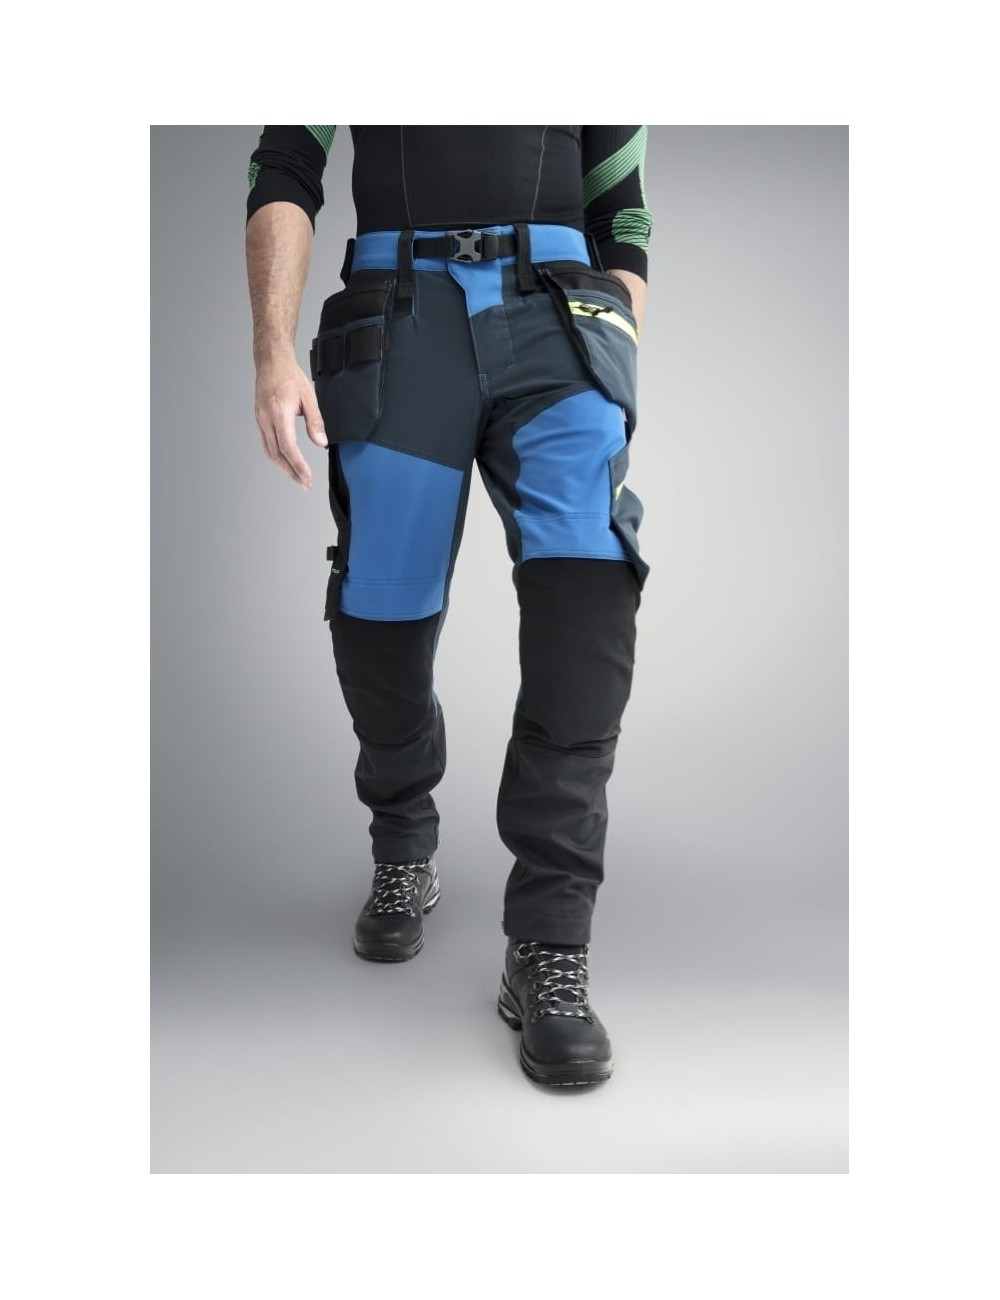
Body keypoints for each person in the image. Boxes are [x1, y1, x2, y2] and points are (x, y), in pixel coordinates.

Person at [245, 126, 652, 1087]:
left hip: (558, 314)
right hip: (398, 309)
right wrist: (271, 352)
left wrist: (617, 337)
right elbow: (285, 164)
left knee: (588, 597)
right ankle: (403, 840)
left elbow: (622, 210)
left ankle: (550, 944)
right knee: (380, 614)